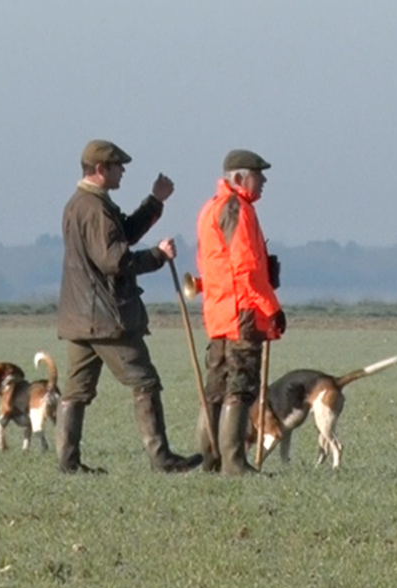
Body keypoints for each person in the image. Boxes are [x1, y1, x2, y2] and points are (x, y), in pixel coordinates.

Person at [55, 139, 204, 474]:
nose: (122, 172)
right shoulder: (94, 208)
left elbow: (124, 234)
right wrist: (158, 256)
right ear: (100, 170)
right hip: (106, 318)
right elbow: (115, 259)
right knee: (145, 382)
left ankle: (68, 464)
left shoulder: (81, 204)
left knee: (76, 391)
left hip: (80, 317)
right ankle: (161, 458)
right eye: (118, 166)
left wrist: (155, 201)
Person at [194, 149, 286, 475]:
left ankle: (210, 458)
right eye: (257, 175)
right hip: (242, 311)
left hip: (217, 312)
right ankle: (234, 463)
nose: (263, 181)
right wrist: (272, 309)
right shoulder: (238, 210)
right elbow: (245, 268)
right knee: (241, 386)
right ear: (238, 178)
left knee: (216, 388)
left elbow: (211, 265)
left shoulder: (210, 209)